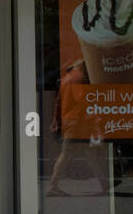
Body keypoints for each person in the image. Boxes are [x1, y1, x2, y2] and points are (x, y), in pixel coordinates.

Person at [46, 58, 111, 197]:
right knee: (68, 154)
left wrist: (55, 121)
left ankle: (105, 185)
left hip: (70, 122)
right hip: (78, 123)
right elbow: (83, 101)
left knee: (87, 154)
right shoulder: (79, 78)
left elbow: (58, 102)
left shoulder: (65, 79)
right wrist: (95, 119)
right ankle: (52, 186)